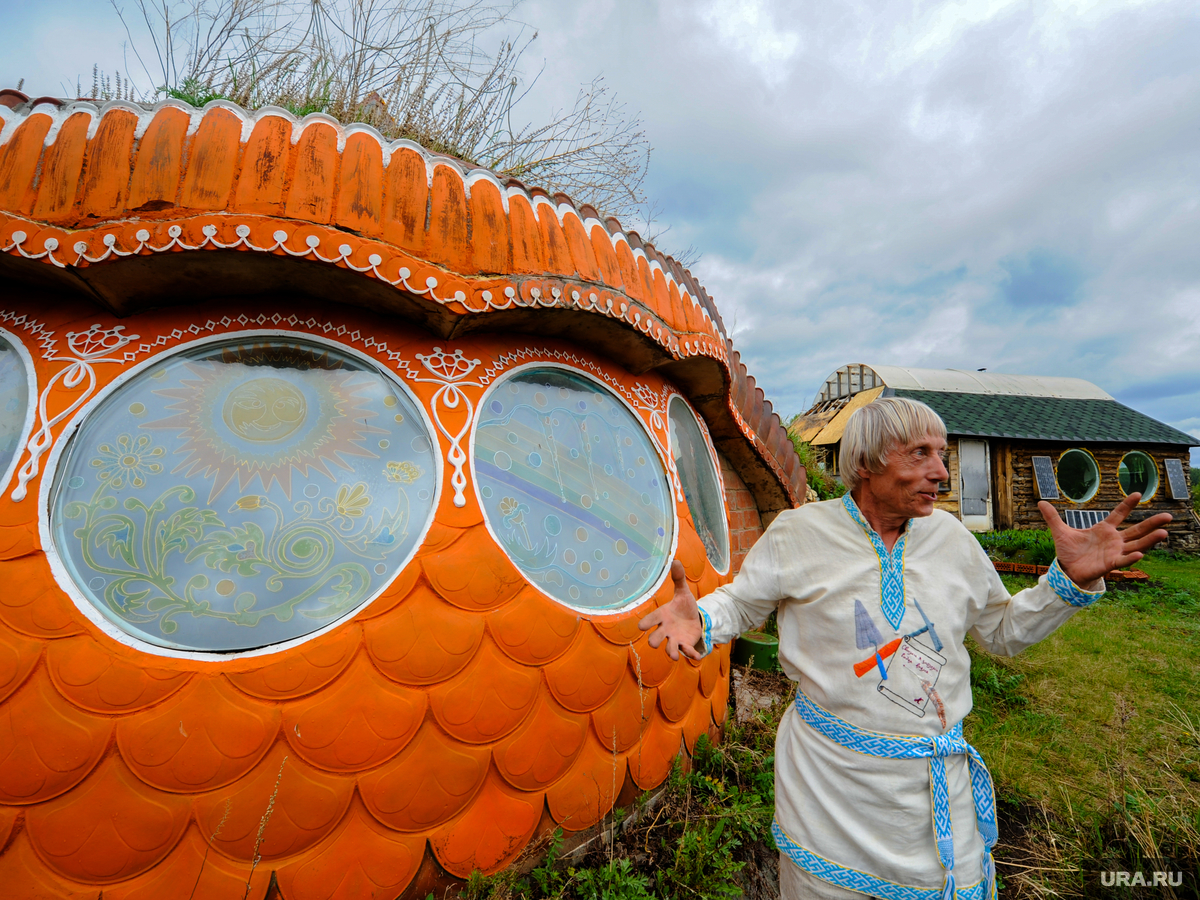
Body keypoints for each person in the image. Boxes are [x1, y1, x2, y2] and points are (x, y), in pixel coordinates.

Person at [639, 398, 1171, 900]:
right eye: (921, 453)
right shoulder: (798, 534)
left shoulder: (953, 540)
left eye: (941, 453)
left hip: (935, 788)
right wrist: (704, 617)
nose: (941, 471)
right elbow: (741, 604)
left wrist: (1065, 583)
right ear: (868, 462)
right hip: (828, 786)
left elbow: (1003, 631)